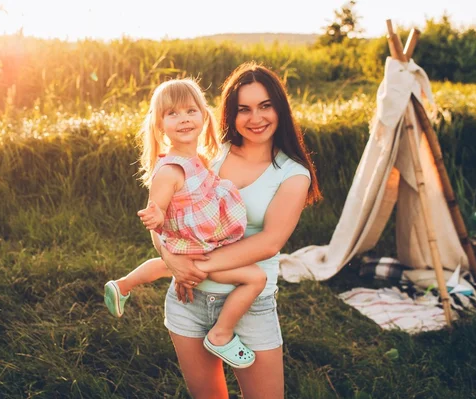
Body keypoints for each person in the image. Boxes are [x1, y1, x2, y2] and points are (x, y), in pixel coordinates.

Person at [155, 62, 321, 399]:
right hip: (189, 298)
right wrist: (170, 260)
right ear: (230, 113)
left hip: (250, 303)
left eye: (265, 106)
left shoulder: (293, 174)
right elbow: (164, 212)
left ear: (280, 109)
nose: (255, 118)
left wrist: (194, 266)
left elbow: (270, 242)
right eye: (244, 108)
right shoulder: (210, 155)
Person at [104, 78, 268, 368]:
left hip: (197, 244)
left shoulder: (197, 159)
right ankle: (221, 334)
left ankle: (123, 285)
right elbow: (157, 213)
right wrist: (155, 215)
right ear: (159, 124)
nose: (183, 119)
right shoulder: (170, 171)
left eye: (190, 110)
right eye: (172, 114)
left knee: (168, 267)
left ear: (204, 116)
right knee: (256, 278)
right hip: (196, 248)